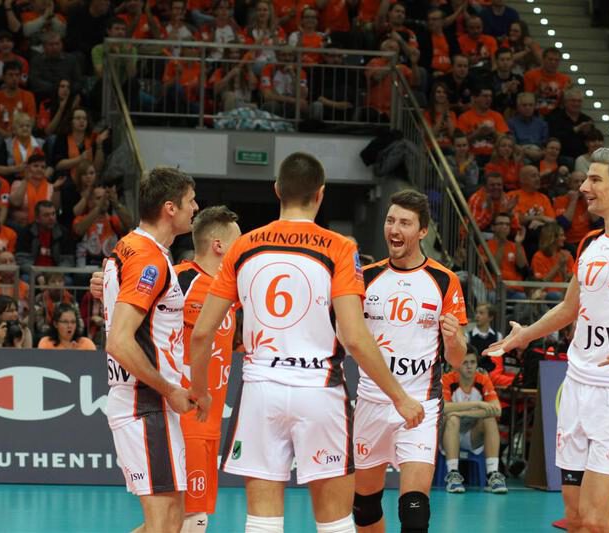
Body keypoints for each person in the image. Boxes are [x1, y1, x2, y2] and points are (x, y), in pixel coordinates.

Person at [188, 152, 424, 533]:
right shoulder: (338, 248)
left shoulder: (243, 247)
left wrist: (200, 391)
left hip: (261, 390)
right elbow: (354, 336)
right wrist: (399, 396)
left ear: (277, 190)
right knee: (335, 522)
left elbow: (202, 333)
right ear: (320, 194)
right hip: (319, 389)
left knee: (262, 520)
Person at [486, 147, 609, 532]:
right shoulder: (590, 242)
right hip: (576, 386)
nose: (584, 187)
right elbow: (568, 308)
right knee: (575, 518)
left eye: (594, 179)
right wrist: (525, 335)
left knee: (596, 518)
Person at [353, 189, 467, 533]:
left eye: (405, 222)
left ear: (422, 231)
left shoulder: (444, 280)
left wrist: (453, 339)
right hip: (371, 402)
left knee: (414, 510)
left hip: (420, 406)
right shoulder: (366, 278)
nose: (395, 229)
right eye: (391, 221)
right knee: (364, 507)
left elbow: (456, 359)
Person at [102, 167, 198, 533]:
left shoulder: (130, 247)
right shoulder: (148, 259)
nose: (196, 208)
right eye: (191, 201)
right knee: (165, 523)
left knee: (170, 520)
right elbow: (119, 341)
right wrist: (170, 389)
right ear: (170, 208)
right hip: (145, 403)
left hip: (145, 402)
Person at [175, 206, 242, 533]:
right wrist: (104, 285)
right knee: (193, 519)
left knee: (175, 521)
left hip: (210, 422)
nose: (243, 249)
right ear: (219, 245)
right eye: (238, 242)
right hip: (184, 418)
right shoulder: (178, 280)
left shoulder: (231, 289)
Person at [441, 347, 505, 494]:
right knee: (452, 419)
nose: (469, 366)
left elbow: (497, 409)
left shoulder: (482, 379)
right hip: (447, 435)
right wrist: (478, 404)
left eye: (473, 362)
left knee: (490, 419)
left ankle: (493, 474)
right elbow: (443, 408)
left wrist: (461, 412)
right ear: (456, 365)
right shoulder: (447, 379)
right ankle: (453, 475)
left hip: (472, 437)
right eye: (465, 363)